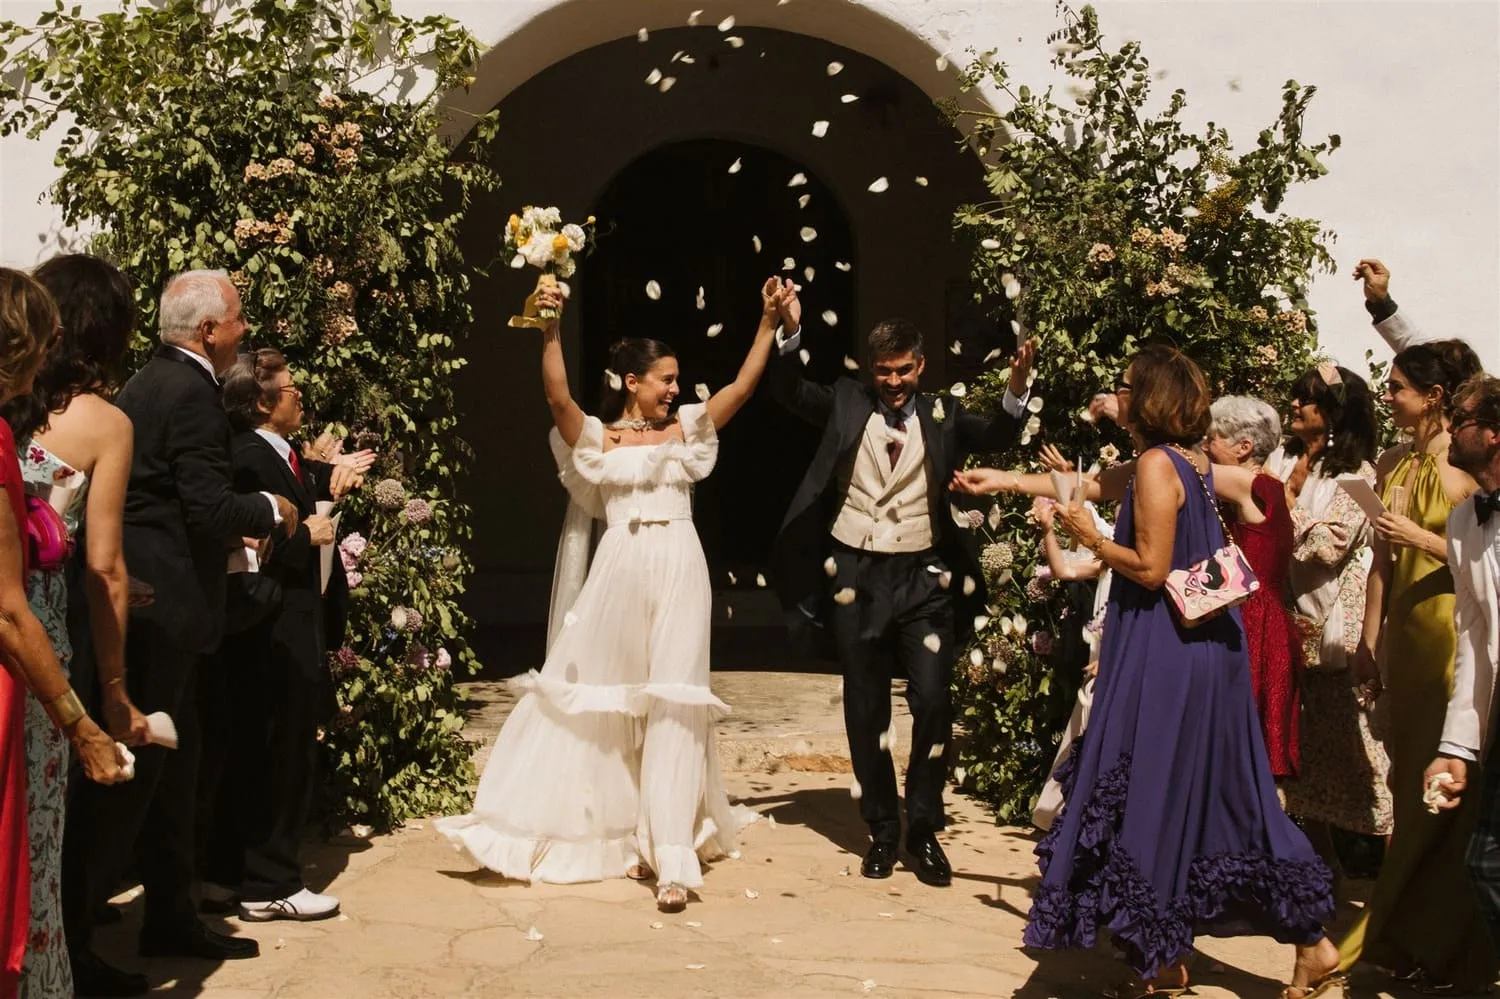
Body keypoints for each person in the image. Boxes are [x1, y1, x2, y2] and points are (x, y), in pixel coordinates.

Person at [954, 345, 1338, 999]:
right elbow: (1095, 484)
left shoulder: (1163, 464)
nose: (1118, 393)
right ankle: (1168, 954)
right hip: (1190, 651)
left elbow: (1152, 567)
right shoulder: (1178, 459)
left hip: (1170, 654)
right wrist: (1007, 480)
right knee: (1182, 796)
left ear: (1150, 396)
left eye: (1125, 385)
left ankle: (1262, 944)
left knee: (1164, 792)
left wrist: (1090, 537)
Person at [436, 276, 783, 913]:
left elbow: (741, 389)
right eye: (665, 379)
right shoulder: (599, 439)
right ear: (631, 381)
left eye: (677, 379)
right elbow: (556, 395)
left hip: (680, 565)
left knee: (676, 704)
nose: (676, 388)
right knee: (601, 695)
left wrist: (766, 324)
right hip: (620, 568)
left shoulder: (685, 432)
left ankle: (672, 859)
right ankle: (621, 828)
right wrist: (548, 328)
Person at [62, 270, 297, 995]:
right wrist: (271, 507)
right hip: (163, 607)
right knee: (132, 782)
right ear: (208, 332)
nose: (243, 331)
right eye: (237, 320)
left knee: (175, 773)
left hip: (158, 604)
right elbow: (203, 505)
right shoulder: (191, 394)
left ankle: (171, 910)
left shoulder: (147, 382)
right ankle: (76, 937)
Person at [767, 314, 1033, 888]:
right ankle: (883, 829)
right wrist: (788, 333)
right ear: (872, 369)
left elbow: (996, 438)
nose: (893, 382)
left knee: (933, 699)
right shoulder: (843, 400)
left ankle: (925, 827)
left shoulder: (943, 413)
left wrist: (1016, 388)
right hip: (855, 571)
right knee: (866, 708)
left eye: (904, 371)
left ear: (921, 367)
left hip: (924, 573)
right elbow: (787, 390)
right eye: (884, 372)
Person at [0, 256, 150, 998]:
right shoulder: (105, 424)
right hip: (41, 651)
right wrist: (113, 694)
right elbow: (106, 569)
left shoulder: (15, 417)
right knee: (38, 842)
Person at [1339, 339, 1491, 991]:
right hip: (1405, 636)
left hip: (1454, 645)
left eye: (1398, 385)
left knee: (1441, 807)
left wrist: (1422, 538)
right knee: (1410, 792)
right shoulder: (1393, 462)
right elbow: (1380, 564)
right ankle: (1412, 940)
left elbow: (1480, 569)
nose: (1388, 395)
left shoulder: (1463, 476)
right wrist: (1369, 643)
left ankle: (1410, 938)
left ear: (1433, 397)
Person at [196, 348, 366, 923]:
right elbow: (246, 546)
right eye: (292, 390)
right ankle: (270, 882)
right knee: (277, 751)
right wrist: (308, 537)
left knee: (263, 745)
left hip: (289, 621)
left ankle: (228, 872)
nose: (301, 397)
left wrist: (329, 473)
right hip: (269, 625)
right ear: (264, 401)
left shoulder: (279, 452)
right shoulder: (246, 457)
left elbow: (300, 477)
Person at [1265, 364, 1390, 900]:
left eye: (1307, 401)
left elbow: (1330, 545)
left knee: (1356, 751)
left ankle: (1390, 881)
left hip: (1332, 624)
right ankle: (1322, 872)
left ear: (1334, 414)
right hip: (1286, 617)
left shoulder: (1356, 473)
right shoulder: (1283, 458)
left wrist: (1284, 512)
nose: (1295, 407)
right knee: (1300, 758)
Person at [1423, 374, 1500, 950]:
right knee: (1486, 864)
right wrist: (1455, 747)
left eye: (1463, 419)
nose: (1449, 428)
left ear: (1494, 434)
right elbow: (1472, 634)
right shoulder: (1464, 519)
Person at [1203, 395, 1304, 780]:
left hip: (1251, 622)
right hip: (1259, 618)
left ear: (1244, 447)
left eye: (1212, 438)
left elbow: (1180, 469)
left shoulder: (1251, 483)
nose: (1205, 446)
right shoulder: (1266, 486)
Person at [1028, 491, 1112, 833]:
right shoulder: (1111, 560)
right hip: (1097, 668)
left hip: (1122, 664)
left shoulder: (1142, 565)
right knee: (1082, 744)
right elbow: (1062, 569)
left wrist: (1111, 656)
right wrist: (1048, 528)